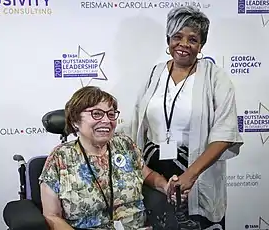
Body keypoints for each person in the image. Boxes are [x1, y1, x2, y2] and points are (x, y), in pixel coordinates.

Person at [124, 6, 244, 230]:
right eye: (177, 37)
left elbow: (225, 133)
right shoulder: (154, 74)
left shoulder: (216, 78)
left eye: (193, 39)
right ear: (168, 40)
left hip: (196, 174)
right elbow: (137, 123)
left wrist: (190, 175)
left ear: (201, 46)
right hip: (154, 173)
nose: (184, 44)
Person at [39, 86, 184, 230]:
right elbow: (52, 216)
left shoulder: (124, 144)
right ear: (75, 121)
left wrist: (166, 187)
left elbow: (148, 175)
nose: (107, 120)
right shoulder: (60, 157)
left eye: (111, 114)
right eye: (97, 114)